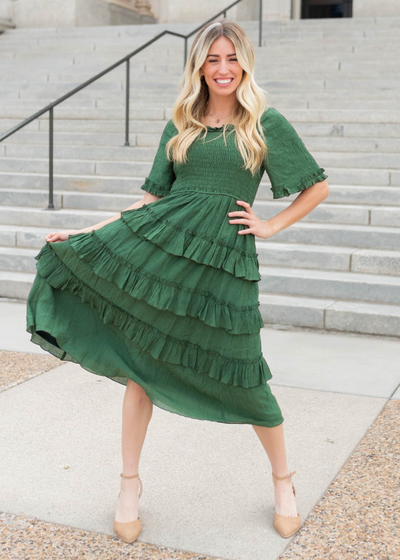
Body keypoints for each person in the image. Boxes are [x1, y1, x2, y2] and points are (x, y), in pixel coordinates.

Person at [26, 19, 329, 543]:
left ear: (244, 63)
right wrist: (84, 230)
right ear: (199, 67)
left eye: (231, 58)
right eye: (212, 59)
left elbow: (316, 187)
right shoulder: (181, 124)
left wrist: (270, 224)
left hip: (225, 267)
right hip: (164, 262)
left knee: (245, 375)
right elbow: (149, 203)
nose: (223, 69)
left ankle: (284, 482)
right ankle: (128, 485)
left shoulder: (264, 123)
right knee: (140, 366)